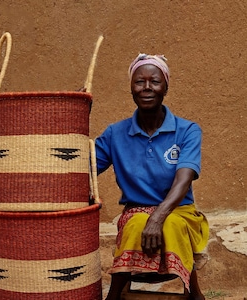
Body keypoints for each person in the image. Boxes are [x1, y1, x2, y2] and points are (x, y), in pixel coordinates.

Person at [94, 53, 209, 300]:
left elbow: (184, 179)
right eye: (139, 82)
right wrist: (77, 117)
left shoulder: (187, 130)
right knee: (136, 223)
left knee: (173, 224)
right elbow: (85, 167)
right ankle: (113, 296)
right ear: (131, 88)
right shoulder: (116, 133)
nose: (147, 88)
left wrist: (157, 217)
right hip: (136, 211)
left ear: (165, 87)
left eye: (154, 81)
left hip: (180, 210)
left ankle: (193, 294)